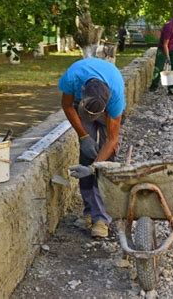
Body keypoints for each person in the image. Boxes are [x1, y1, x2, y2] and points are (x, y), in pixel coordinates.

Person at [59, 57, 125, 238]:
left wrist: (93, 168)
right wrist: (84, 136)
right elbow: (66, 105)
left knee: (105, 162)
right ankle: (89, 211)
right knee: (87, 154)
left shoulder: (115, 98)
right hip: (80, 104)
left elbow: (112, 139)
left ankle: (102, 218)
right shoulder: (72, 78)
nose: (91, 117)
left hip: (107, 114)